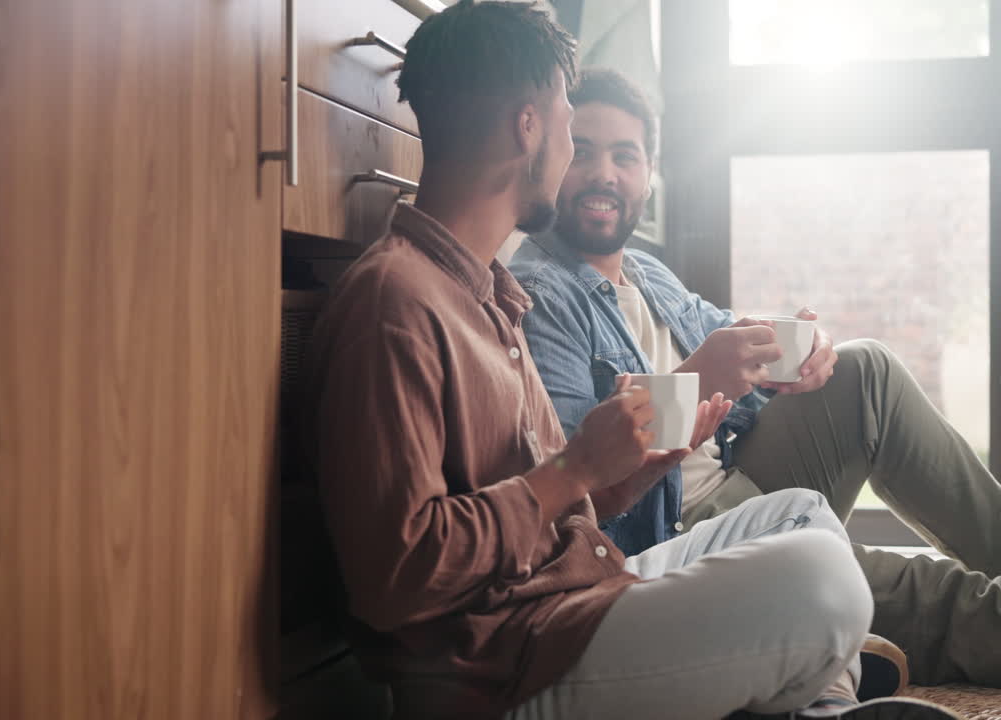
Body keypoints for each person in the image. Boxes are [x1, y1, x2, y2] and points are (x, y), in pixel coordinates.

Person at [304, 2, 959, 718]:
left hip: (571, 599)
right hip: (504, 666)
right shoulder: (395, 301)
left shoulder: (488, 293)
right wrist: (577, 467)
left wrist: (634, 467)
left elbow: (559, 504)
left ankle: (819, 701)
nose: (574, 158)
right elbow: (397, 578)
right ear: (528, 127)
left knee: (802, 518)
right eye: (568, 128)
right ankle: (817, 694)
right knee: (821, 583)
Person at [509, 67, 1001, 693]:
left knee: (866, 369)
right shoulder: (540, 294)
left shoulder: (647, 275)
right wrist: (698, 379)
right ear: (554, 159)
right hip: (672, 536)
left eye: (625, 156)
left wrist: (808, 358)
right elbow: (579, 493)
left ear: (649, 175)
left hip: (734, 485)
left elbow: (742, 356)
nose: (604, 174)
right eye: (584, 152)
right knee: (932, 590)